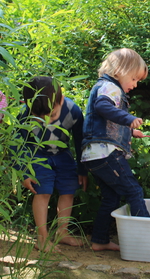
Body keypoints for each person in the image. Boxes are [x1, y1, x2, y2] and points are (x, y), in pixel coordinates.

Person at [81, 48, 150, 251]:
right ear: (120, 70)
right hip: (105, 153)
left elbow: (108, 120)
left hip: (95, 155)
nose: (135, 84)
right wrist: (129, 119)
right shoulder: (110, 87)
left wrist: (130, 131)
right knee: (134, 191)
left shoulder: (107, 87)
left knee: (111, 196)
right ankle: (145, 242)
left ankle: (99, 240)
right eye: (134, 78)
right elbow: (103, 107)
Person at [18, 76, 87, 252]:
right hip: (36, 155)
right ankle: (42, 238)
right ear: (28, 104)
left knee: (69, 190)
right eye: (39, 118)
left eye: (52, 115)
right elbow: (18, 143)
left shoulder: (73, 111)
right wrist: (24, 171)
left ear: (61, 100)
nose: (46, 121)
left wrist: (82, 168)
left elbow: (80, 141)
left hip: (62, 154)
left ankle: (62, 232)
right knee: (42, 192)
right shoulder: (24, 113)